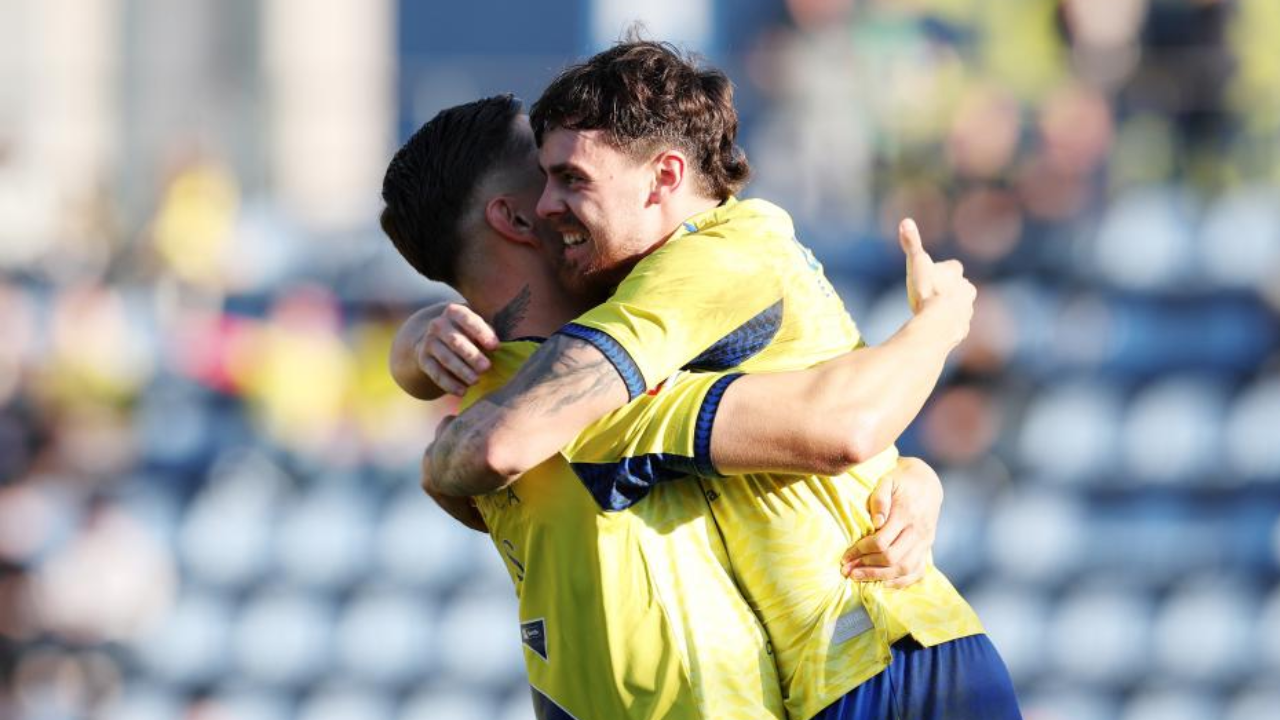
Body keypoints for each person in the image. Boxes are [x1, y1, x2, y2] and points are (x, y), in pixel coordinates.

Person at [418, 41, 1021, 720]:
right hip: (848, 670)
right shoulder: (693, 271)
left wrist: (939, 328)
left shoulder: (711, 263)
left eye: (572, 179)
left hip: (887, 656)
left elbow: (845, 429)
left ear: (663, 175)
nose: (549, 204)